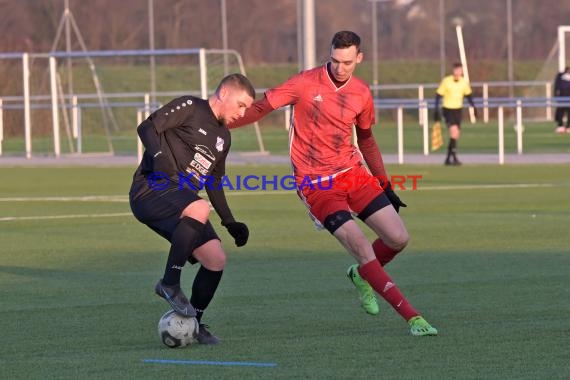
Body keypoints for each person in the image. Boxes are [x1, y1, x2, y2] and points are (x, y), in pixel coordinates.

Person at [229, 31, 437, 336]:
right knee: (362, 247)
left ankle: (361, 275)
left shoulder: (362, 93)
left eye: (347, 62)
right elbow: (261, 108)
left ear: (359, 59)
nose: (340, 67)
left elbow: (366, 138)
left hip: (353, 173)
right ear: (330, 55)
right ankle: (413, 318)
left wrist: (384, 184)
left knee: (398, 238)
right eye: (335, 60)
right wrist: (221, 120)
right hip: (316, 183)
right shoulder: (304, 82)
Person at [129, 73, 255, 344]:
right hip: (151, 188)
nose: (242, 113)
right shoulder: (190, 107)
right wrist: (159, 156)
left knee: (216, 259)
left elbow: (214, 181)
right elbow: (146, 128)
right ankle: (169, 283)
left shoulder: (224, 137)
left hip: (181, 199)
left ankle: (193, 325)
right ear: (223, 94)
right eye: (241, 105)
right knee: (199, 207)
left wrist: (230, 221)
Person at [433, 63, 477, 166]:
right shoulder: (446, 81)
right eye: (456, 70)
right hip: (448, 110)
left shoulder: (463, 82)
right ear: (453, 70)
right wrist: (436, 108)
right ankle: (454, 157)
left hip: (458, 110)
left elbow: (468, 96)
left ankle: (448, 158)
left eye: (460, 70)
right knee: (454, 132)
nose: (458, 72)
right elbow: (438, 95)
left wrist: (474, 108)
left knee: (455, 135)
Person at [554, 66, 570, 133]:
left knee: (569, 112)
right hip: (562, 97)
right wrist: (556, 95)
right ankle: (560, 126)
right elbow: (556, 86)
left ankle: (568, 126)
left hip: (568, 97)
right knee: (560, 112)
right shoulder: (560, 75)